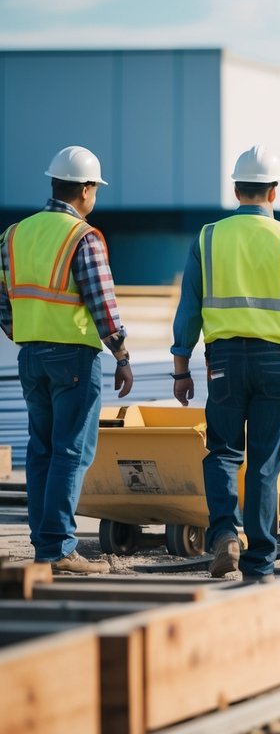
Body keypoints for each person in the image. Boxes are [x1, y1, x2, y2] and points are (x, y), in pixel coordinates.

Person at [171, 145, 280, 583]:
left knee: (224, 452)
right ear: (273, 192)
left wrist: (180, 367)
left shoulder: (207, 238)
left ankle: (225, 533)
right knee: (265, 463)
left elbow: (188, 309)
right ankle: (259, 563)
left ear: (235, 189)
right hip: (272, 364)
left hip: (223, 362)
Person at [0, 146, 133, 574]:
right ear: (86, 189)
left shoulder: (14, 235)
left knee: (41, 450)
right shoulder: (83, 236)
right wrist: (121, 352)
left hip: (31, 355)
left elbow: (3, 302)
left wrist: (24, 333)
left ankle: (45, 544)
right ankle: (58, 548)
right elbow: (102, 302)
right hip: (74, 357)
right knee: (71, 452)